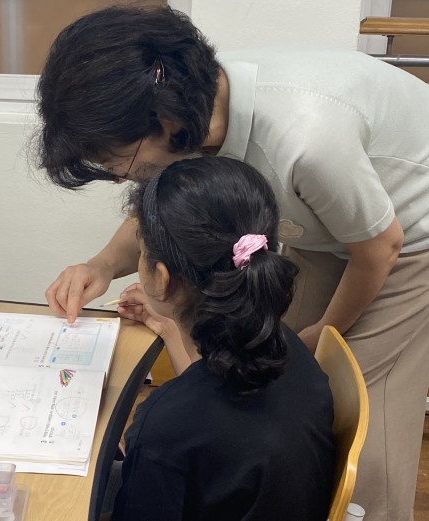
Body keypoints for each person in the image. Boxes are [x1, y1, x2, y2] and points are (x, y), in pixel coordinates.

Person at [35, 7, 429, 520]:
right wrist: (103, 265)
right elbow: (164, 208)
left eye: (118, 163)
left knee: (359, 408)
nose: (121, 177)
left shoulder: (305, 138)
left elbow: (381, 247)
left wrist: (321, 332)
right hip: (333, 221)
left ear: (166, 125)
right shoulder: (189, 105)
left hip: (407, 235)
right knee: (270, 368)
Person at [98, 156, 335, 521]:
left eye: (141, 252)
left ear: (161, 278)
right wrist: (168, 327)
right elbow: (212, 398)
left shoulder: (167, 425)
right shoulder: (284, 346)